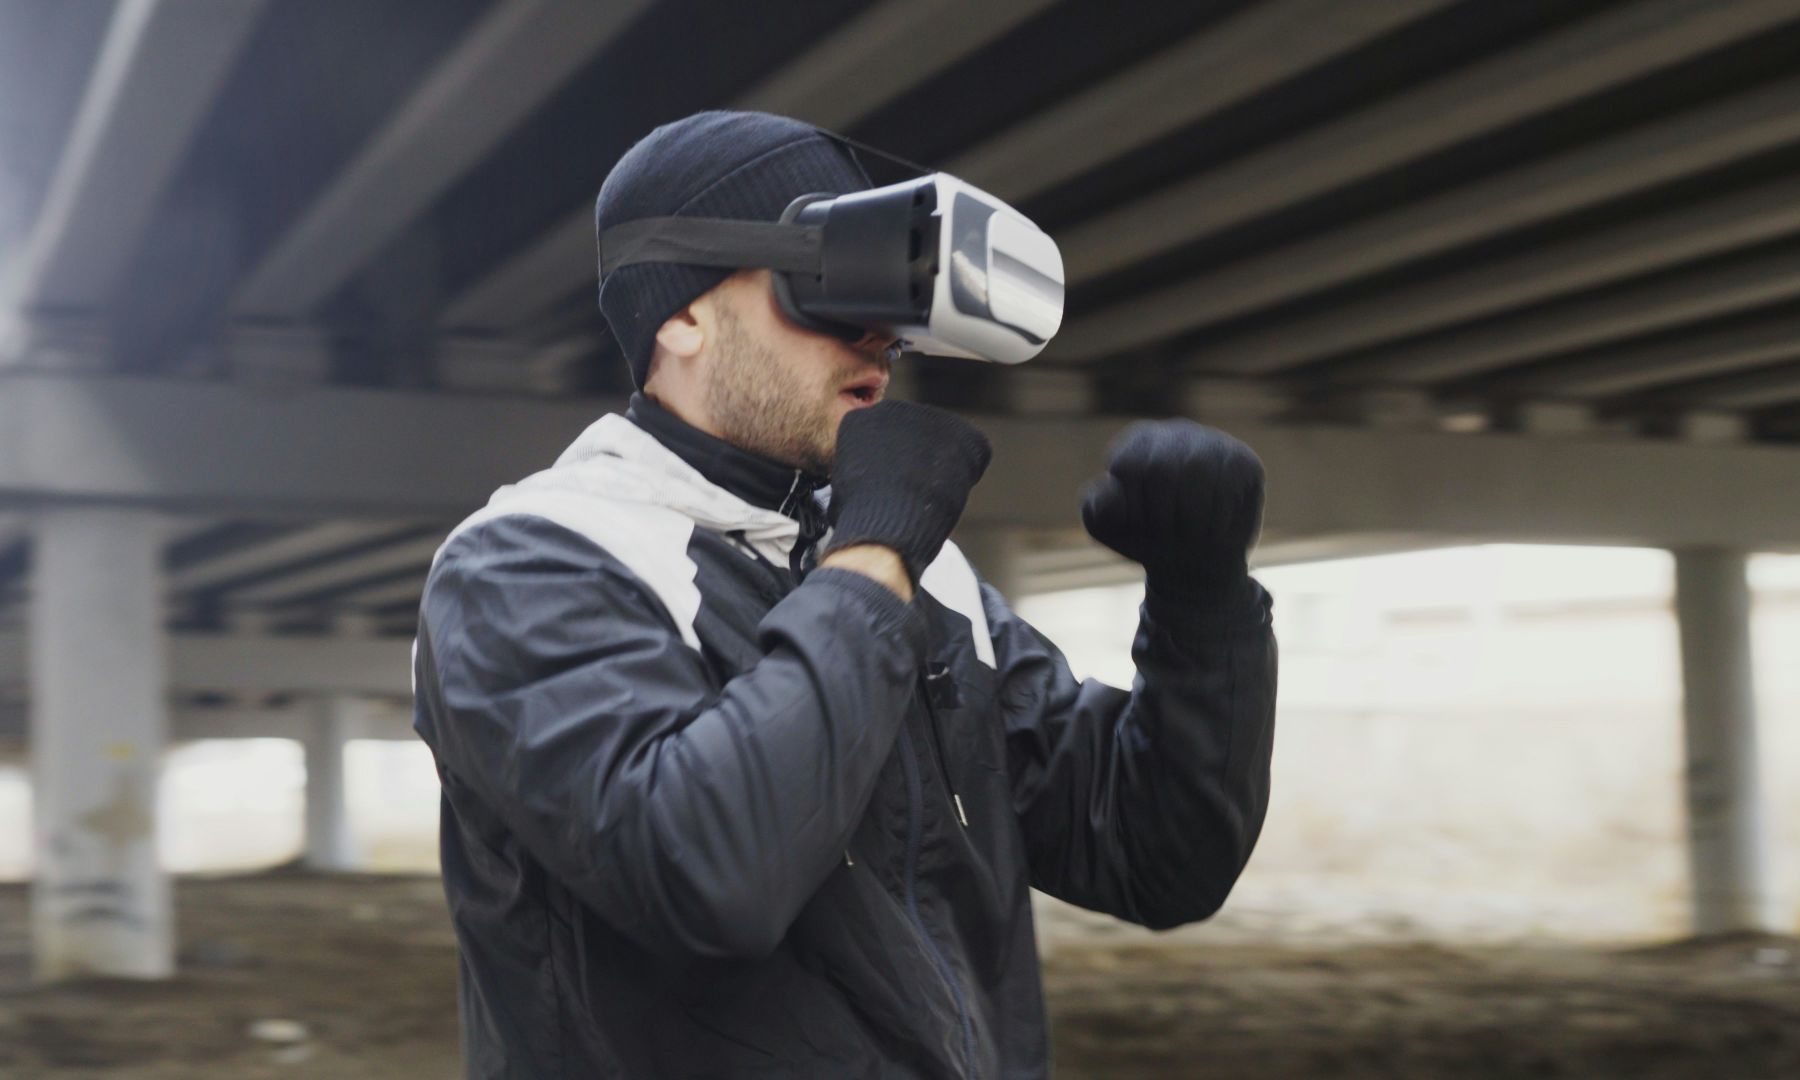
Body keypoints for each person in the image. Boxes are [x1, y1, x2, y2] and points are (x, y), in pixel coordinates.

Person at [412, 110, 1278, 1079]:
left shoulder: (923, 579)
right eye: (825, 282)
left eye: (891, 297)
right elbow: (703, 875)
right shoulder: (533, 563)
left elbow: (1156, 859)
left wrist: (1202, 601)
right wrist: (873, 556)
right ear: (681, 315)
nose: (878, 333)